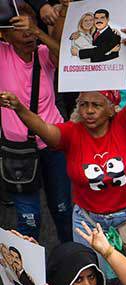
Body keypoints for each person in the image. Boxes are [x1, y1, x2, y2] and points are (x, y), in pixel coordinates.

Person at [0, 29, 126, 247]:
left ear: (111, 109)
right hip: (89, 223)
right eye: (83, 104)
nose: (88, 111)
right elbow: (42, 127)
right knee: (92, 276)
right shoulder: (72, 133)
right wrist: (18, 108)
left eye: (96, 105)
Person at [0, 10, 72, 241]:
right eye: (20, 30)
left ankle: (74, 266)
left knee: (63, 211)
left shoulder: (43, 53)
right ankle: (26, 273)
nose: (28, 35)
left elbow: (68, 61)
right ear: (6, 36)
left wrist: (39, 30)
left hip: (54, 142)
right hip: (17, 150)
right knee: (29, 219)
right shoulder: (2, 55)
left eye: (31, 29)